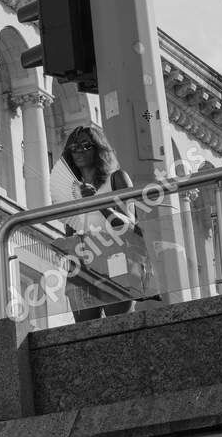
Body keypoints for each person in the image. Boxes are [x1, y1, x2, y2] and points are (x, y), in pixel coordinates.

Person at [58, 124, 155, 321]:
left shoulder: (117, 178)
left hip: (115, 256)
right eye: (74, 147)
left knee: (119, 325)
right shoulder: (70, 191)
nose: (80, 151)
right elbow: (71, 236)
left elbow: (129, 225)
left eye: (86, 145)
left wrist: (98, 203)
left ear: (99, 148)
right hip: (83, 263)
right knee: (84, 331)